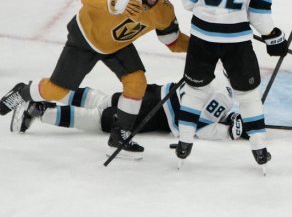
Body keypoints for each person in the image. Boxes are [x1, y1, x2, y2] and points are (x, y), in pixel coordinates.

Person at [0, 0, 189, 158]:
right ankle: (23, 92)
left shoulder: (164, 10)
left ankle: (119, 138)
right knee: (57, 91)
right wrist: (113, 1)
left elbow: (173, 41)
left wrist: (200, 46)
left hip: (117, 46)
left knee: (137, 82)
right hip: (85, 38)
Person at [175, 0, 288, 169]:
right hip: (235, 41)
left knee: (195, 91)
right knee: (247, 94)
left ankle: (184, 143)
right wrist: (273, 37)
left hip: (202, 36)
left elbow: (187, 1)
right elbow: (259, 14)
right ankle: (259, 149)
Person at [10, 80, 247, 144]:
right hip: (157, 113)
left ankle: (38, 90)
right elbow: (198, 127)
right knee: (101, 119)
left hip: (153, 92)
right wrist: (229, 132)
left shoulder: (216, 72)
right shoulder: (225, 96)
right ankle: (38, 110)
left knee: (103, 100)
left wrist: (229, 118)